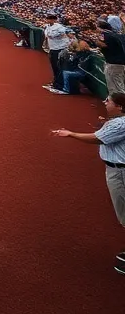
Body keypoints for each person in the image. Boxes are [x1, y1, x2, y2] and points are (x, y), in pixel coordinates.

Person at [52, 92, 125, 275]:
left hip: (120, 172)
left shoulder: (120, 124)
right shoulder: (117, 122)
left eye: (109, 101)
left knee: (124, 214)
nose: (105, 102)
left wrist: (70, 134)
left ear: (120, 107)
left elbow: (97, 138)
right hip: (117, 170)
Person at [42, 13, 73, 92]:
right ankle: (56, 83)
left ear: (54, 20)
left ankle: (60, 85)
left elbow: (66, 33)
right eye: (48, 18)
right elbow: (47, 35)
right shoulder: (47, 26)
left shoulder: (60, 27)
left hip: (60, 48)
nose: (48, 20)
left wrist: (53, 35)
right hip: (52, 48)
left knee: (59, 67)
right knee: (54, 67)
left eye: (51, 19)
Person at [99, 19, 125, 96]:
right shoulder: (120, 35)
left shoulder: (105, 34)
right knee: (120, 85)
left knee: (116, 88)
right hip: (121, 63)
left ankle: (119, 106)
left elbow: (103, 45)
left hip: (114, 64)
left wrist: (96, 42)